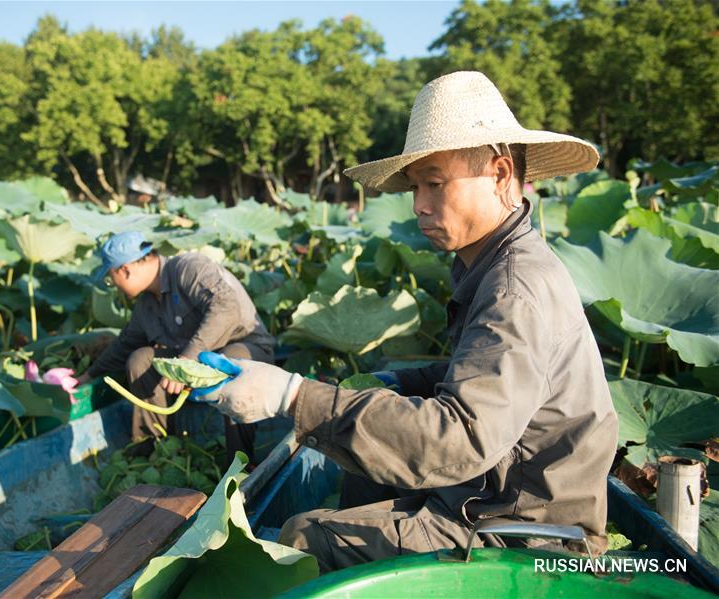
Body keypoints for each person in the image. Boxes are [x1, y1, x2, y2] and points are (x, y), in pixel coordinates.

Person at [190, 71, 618, 572]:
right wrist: (397, 381)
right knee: (363, 463)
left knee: (303, 537)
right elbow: (484, 380)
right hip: (496, 489)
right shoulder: (499, 263)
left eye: (434, 184)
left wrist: (291, 397)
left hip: (525, 530)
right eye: (415, 187)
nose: (418, 205)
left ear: (502, 175)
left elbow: (460, 439)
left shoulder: (512, 287)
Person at [77, 231, 275, 463]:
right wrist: (88, 375)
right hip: (196, 359)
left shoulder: (189, 267)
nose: (115, 287)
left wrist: (187, 359)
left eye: (111, 279)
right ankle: (158, 449)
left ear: (124, 270)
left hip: (246, 346)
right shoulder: (146, 306)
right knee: (140, 359)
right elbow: (124, 345)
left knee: (227, 365)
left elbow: (226, 308)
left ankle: (241, 465)